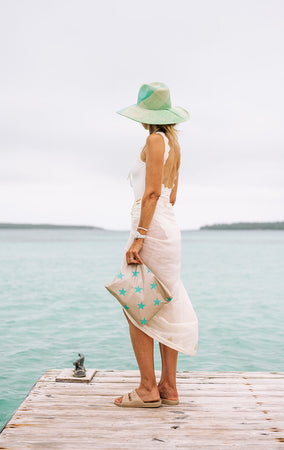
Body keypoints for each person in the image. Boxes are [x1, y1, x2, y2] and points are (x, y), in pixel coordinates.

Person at [114, 82, 198, 408]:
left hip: (149, 228)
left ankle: (148, 388)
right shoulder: (173, 145)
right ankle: (168, 387)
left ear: (146, 114)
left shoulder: (153, 140)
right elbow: (170, 197)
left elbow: (151, 193)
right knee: (164, 302)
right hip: (167, 226)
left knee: (136, 303)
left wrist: (139, 236)